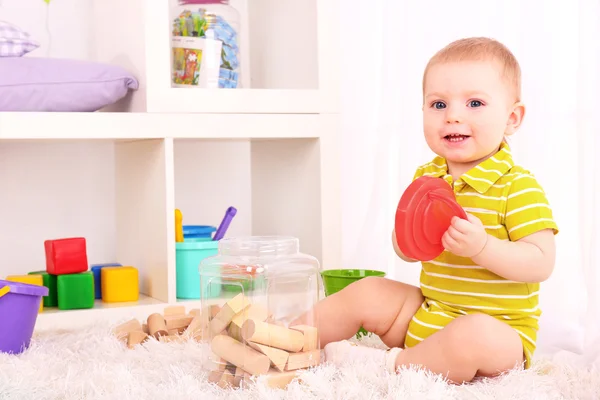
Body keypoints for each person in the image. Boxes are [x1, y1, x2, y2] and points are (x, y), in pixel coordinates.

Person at [298, 37, 559, 384]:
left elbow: (541, 262)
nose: (452, 116)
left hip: (498, 336)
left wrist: (483, 247)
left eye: (475, 103)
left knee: (473, 333)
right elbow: (407, 250)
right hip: (431, 313)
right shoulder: (428, 176)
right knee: (370, 290)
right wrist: (405, 240)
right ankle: (287, 338)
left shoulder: (517, 186)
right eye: (438, 104)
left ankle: (393, 366)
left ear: (512, 118)